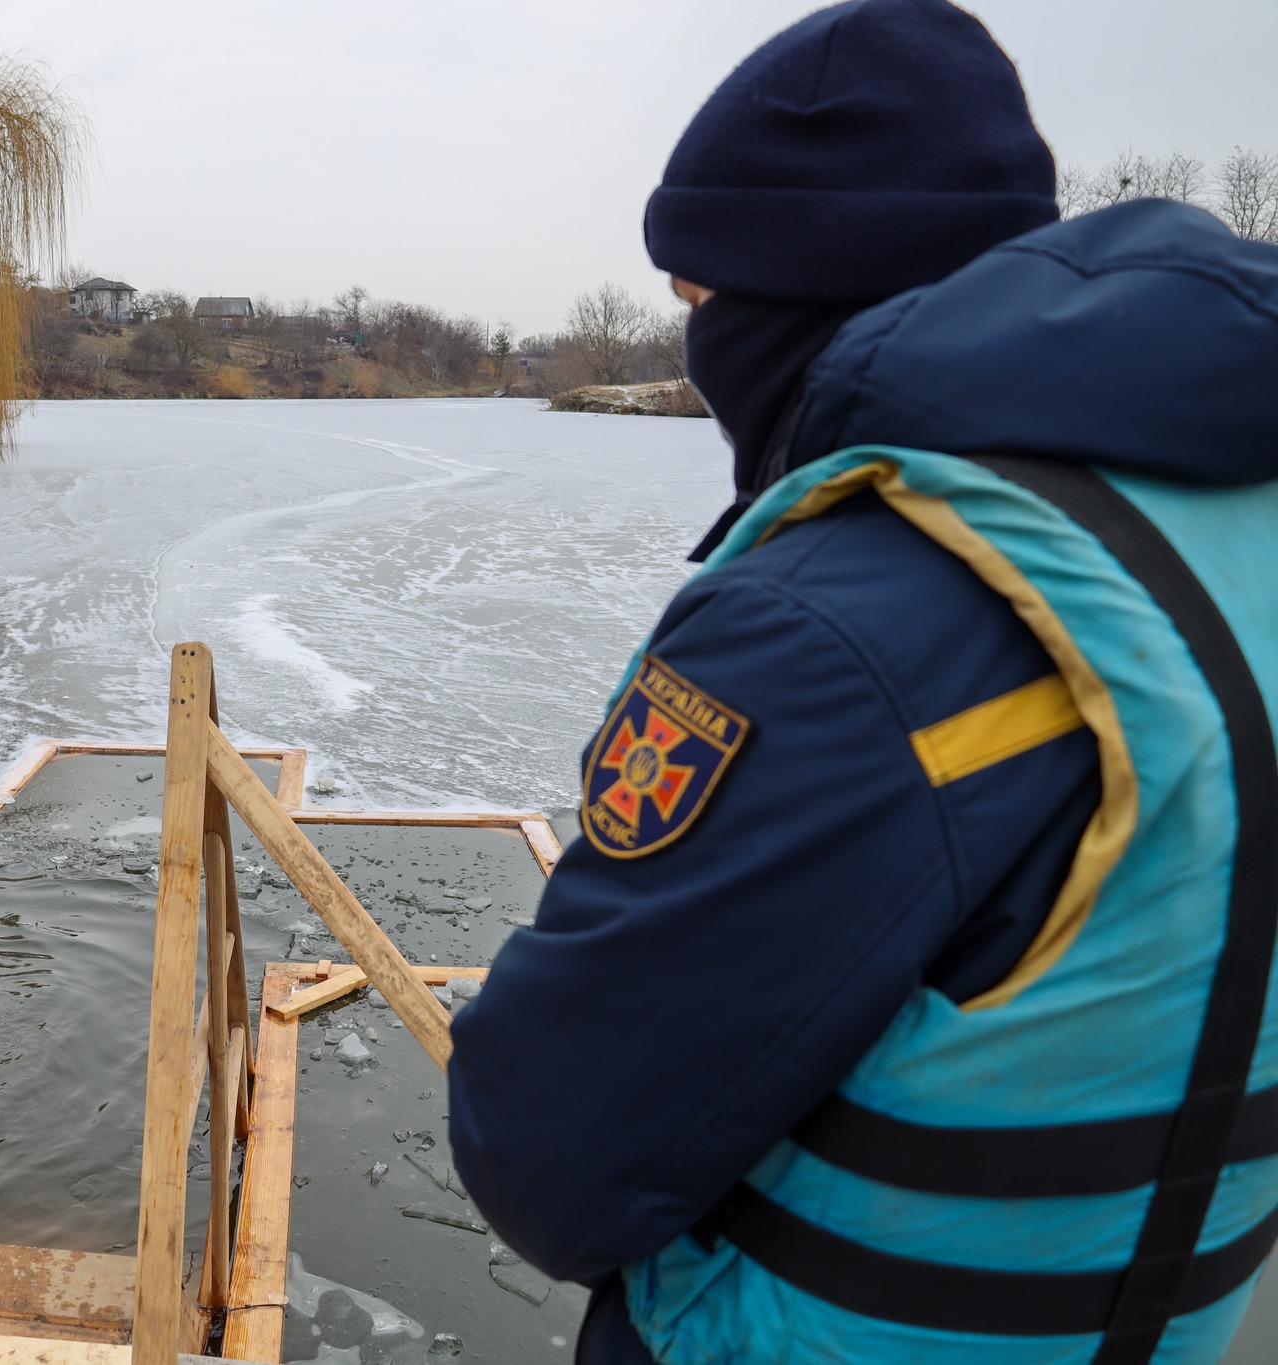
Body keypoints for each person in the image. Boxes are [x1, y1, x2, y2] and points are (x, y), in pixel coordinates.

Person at [446, 3, 1278, 1364]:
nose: (696, 337)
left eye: (699, 299)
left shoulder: (830, 625)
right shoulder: (1236, 530)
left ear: (794, 290)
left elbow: (548, 1152)